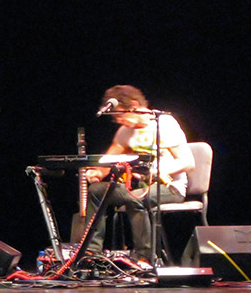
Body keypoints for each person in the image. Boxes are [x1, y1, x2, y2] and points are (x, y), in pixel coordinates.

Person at [84, 85, 195, 266]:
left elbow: (188, 162)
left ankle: (144, 258)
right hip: (137, 189)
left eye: (121, 115)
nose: (119, 121)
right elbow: (108, 161)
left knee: (134, 198)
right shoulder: (125, 132)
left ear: (134, 106)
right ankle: (92, 252)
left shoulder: (164, 124)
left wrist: (161, 171)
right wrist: (97, 172)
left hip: (170, 187)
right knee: (97, 191)